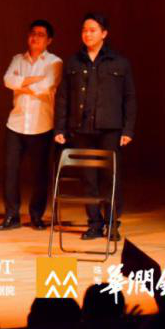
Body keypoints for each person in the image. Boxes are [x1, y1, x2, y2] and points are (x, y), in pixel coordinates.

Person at [54, 13, 136, 241]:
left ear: (104, 33)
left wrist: (128, 129)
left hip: (110, 130)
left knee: (110, 177)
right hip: (81, 129)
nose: (87, 34)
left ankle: (112, 223)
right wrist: (59, 128)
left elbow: (129, 97)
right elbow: (63, 97)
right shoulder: (74, 61)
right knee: (88, 178)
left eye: (92, 30)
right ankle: (94, 224)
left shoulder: (119, 62)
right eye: (84, 30)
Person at [0, 20, 63, 231]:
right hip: (16, 123)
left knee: (39, 174)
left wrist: (22, 82)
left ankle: (36, 216)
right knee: (10, 171)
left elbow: (47, 86)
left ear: (49, 40)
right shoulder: (18, 59)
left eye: (41, 34)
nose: (35, 37)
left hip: (41, 124)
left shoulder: (55, 62)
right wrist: (33, 80)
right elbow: (7, 80)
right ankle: (11, 215)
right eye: (32, 33)